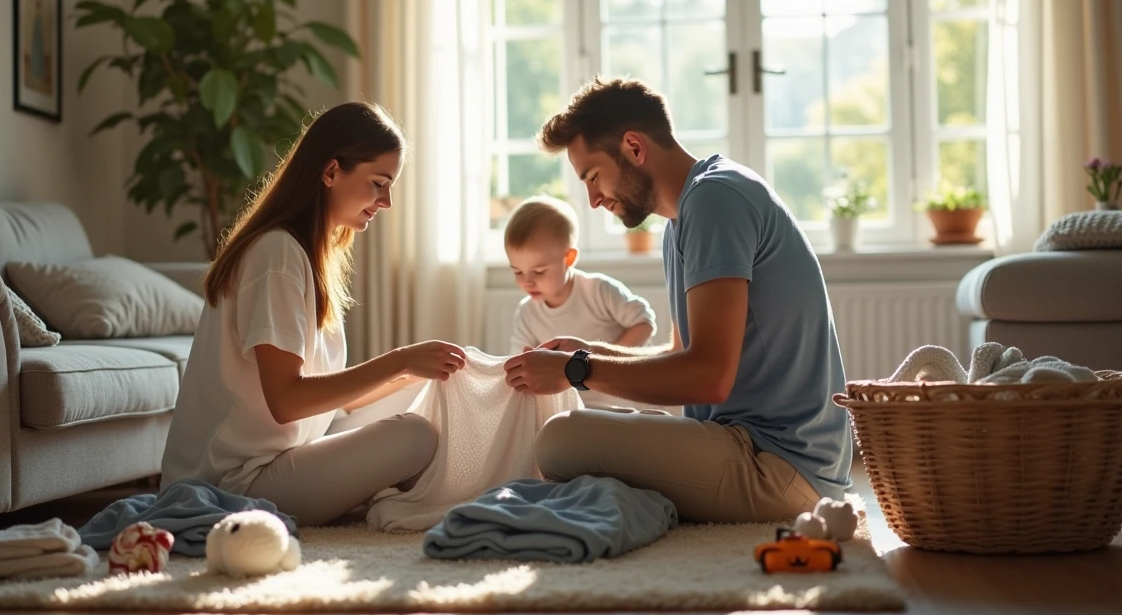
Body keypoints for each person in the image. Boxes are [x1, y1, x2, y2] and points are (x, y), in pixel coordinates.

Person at [503, 77, 852, 523]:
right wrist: (587, 353)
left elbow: (708, 377)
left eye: (593, 176)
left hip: (781, 467)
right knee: (582, 435)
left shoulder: (715, 200)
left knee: (558, 440)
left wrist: (578, 371)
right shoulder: (685, 218)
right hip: (758, 451)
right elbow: (680, 355)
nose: (591, 200)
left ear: (633, 146)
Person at [160, 102, 468, 526]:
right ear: (330, 172)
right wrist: (399, 360)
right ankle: (386, 492)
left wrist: (418, 370)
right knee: (415, 436)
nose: (388, 201)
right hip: (234, 484)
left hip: (281, 458)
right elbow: (287, 400)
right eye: (379, 183)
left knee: (429, 399)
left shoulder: (308, 254)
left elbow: (338, 402)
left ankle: (380, 489)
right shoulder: (276, 254)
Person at [504, 195, 656, 411]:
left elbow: (644, 321)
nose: (527, 281)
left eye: (538, 271)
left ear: (569, 259)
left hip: (617, 404)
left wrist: (604, 364)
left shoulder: (598, 290)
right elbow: (519, 360)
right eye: (517, 271)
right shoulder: (527, 311)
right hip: (566, 410)